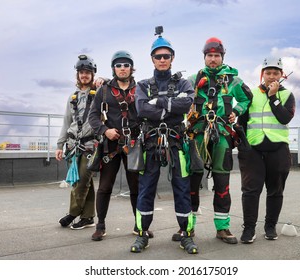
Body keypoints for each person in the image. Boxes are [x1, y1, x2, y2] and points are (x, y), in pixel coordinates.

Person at [174, 37, 252, 244]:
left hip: (222, 135)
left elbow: (247, 98)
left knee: (222, 181)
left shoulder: (233, 80)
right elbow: (178, 98)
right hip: (197, 135)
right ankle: (187, 228)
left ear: (222, 57)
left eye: (217, 56)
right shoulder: (192, 80)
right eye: (210, 56)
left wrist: (236, 111)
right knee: (192, 180)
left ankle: (223, 228)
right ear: (204, 57)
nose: (213, 59)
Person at [130, 27, 198, 254]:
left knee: (182, 187)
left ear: (172, 58)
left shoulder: (183, 83)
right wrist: (170, 106)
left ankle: (186, 235)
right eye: (158, 56)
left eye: (166, 56)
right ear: (152, 59)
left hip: (176, 141)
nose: (162, 59)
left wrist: (159, 103)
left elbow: (187, 104)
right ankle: (142, 235)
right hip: (150, 142)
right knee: (146, 188)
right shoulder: (142, 85)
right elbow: (141, 109)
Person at [88, 51, 153, 241]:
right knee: (105, 186)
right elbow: (93, 115)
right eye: (118, 65)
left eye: (126, 65)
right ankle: (100, 225)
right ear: (113, 68)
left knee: (136, 187)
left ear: (131, 68)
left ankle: (139, 225)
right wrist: (104, 130)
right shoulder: (104, 90)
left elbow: (148, 111)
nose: (122, 68)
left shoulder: (141, 88)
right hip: (111, 144)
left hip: (133, 143)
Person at [238, 57, 295, 244]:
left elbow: (284, 118)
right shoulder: (251, 94)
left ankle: (270, 226)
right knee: (250, 191)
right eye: (268, 73)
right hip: (253, 149)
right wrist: (242, 144)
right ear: (262, 74)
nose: (271, 77)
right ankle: (249, 229)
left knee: (275, 191)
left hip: (278, 149)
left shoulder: (287, 95)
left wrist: (273, 98)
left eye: (275, 73)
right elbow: (242, 121)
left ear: (281, 75)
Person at [57, 54, 98, 230]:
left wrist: (105, 80)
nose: (84, 75)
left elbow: (117, 85)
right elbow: (67, 121)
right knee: (82, 181)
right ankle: (88, 217)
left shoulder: (99, 93)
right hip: (73, 146)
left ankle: (73, 212)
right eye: (81, 72)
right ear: (77, 75)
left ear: (93, 74)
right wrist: (60, 145)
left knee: (82, 180)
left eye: (88, 72)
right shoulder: (72, 98)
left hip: (90, 146)